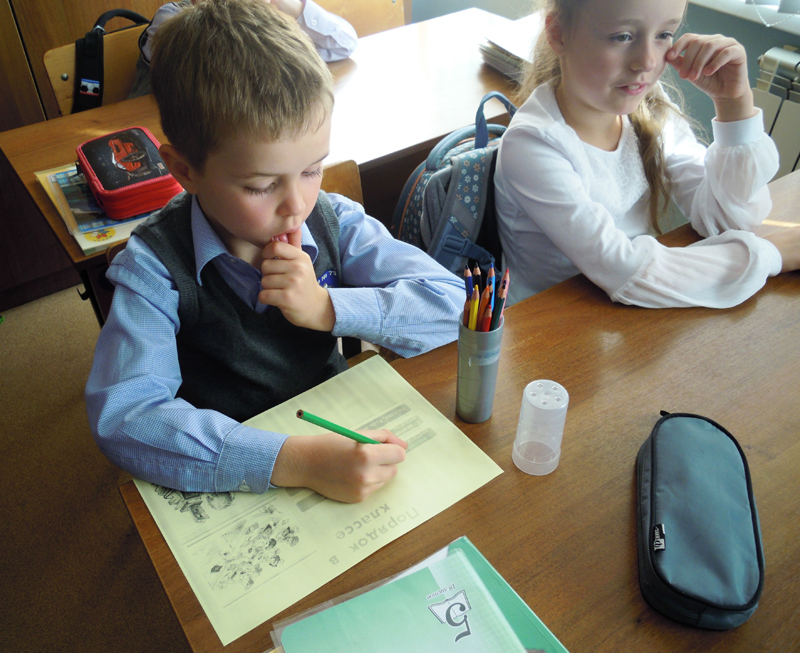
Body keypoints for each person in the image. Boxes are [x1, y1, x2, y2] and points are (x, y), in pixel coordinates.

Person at [86, 0, 465, 503]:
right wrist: (295, 461)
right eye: (261, 185)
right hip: (227, 463)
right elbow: (126, 417)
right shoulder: (154, 265)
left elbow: (452, 305)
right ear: (184, 171)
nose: (297, 206)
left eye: (312, 170)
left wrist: (327, 308)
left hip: (335, 426)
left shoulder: (333, 220)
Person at [495, 0, 800, 309]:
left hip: (625, 310)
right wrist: (770, 255)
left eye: (664, 35)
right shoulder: (532, 143)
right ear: (559, 34)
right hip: (553, 319)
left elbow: (729, 220)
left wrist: (734, 103)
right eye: (622, 36)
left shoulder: (649, 105)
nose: (647, 62)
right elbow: (623, 268)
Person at [127, 0, 358, 98]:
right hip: (163, 136)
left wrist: (294, 8)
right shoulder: (172, 17)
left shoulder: (271, 18)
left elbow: (344, 45)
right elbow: (216, 77)